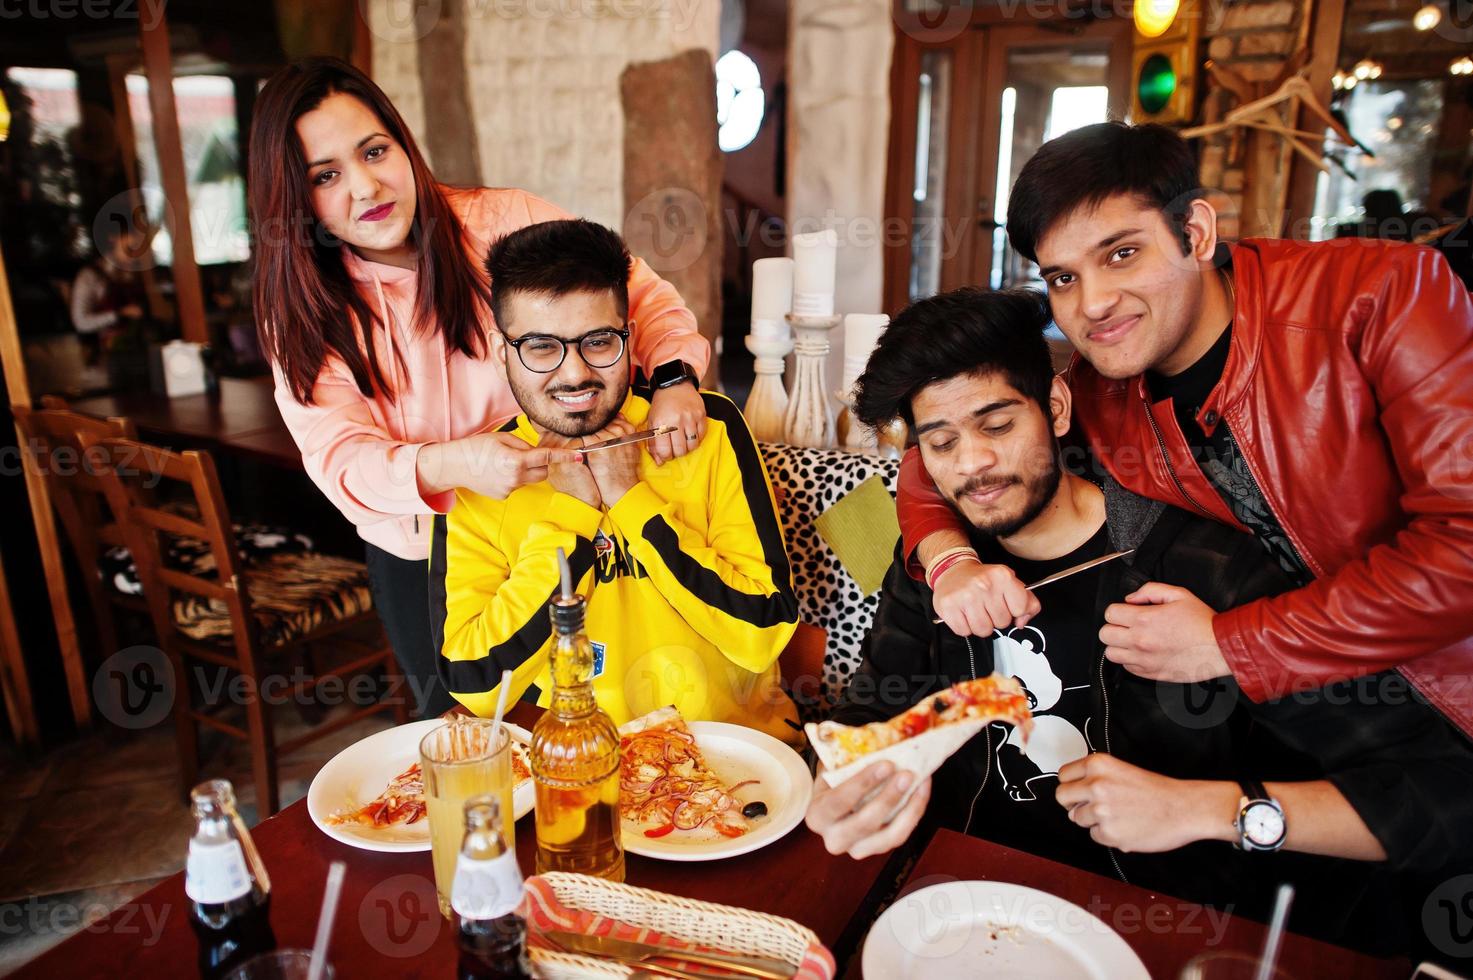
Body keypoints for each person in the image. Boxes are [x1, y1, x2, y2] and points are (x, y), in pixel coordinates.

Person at [804, 288, 1473, 955]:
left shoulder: (1208, 570)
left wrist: (1198, 807)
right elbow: (870, 714)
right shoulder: (936, 565)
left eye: (998, 424)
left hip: (1157, 928)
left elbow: (1443, 798)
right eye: (941, 442)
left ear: (1056, 408)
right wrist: (857, 783)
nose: (973, 463)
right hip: (954, 907)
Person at [895, 122, 1473, 741]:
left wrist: (1231, 644)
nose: (1093, 304)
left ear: (1194, 233)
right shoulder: (1102, 385)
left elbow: (1462, 549)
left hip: (1438, 700)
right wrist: (950, 560)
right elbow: (945, 455)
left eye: (1122, 254)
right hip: (1289, 711)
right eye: (1064, 277)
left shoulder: (1383, 294)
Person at [249, 58, 711, 717]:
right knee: (469, 738)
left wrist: (672, 376)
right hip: (423, 560)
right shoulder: (302, 309)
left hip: (562, 520)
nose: (366, 185)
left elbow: (642, 297)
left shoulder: (499, 221)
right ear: (295, 200)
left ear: (402, 145)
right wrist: (457, 463)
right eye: (326, 176)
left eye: (375, 150)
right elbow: (341, 460)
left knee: (597, 710)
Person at [431, 219, 799, 741]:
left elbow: (763, 630)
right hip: (578, 767)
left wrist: (632, 499)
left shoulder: (706, 428)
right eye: (540, 347)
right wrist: (572, 522)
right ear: (501, 350)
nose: (575, 373)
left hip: (736, 753)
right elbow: (477, 683)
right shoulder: (479, 474)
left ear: (629, 334)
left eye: (599, 341)